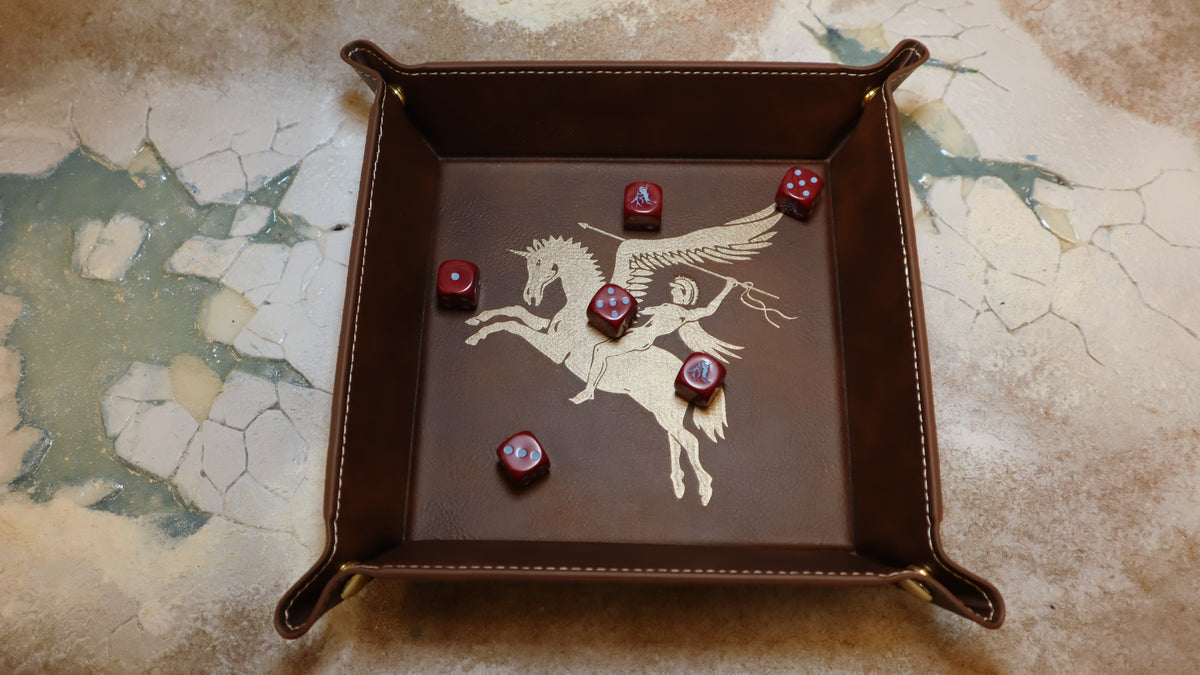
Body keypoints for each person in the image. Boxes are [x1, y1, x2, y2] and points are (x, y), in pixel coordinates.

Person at [570, 275, 737, 404]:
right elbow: (645, 310)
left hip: (643, 337)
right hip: (638, 331)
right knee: (601, 349)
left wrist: (727, 287)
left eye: (677, 290)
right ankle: (590, 390)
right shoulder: (666, 306)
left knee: (600, 350)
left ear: (685, 295)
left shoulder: (684, 314)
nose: (672, 291)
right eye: (674, 289)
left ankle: (589, 390)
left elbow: (709, 309)